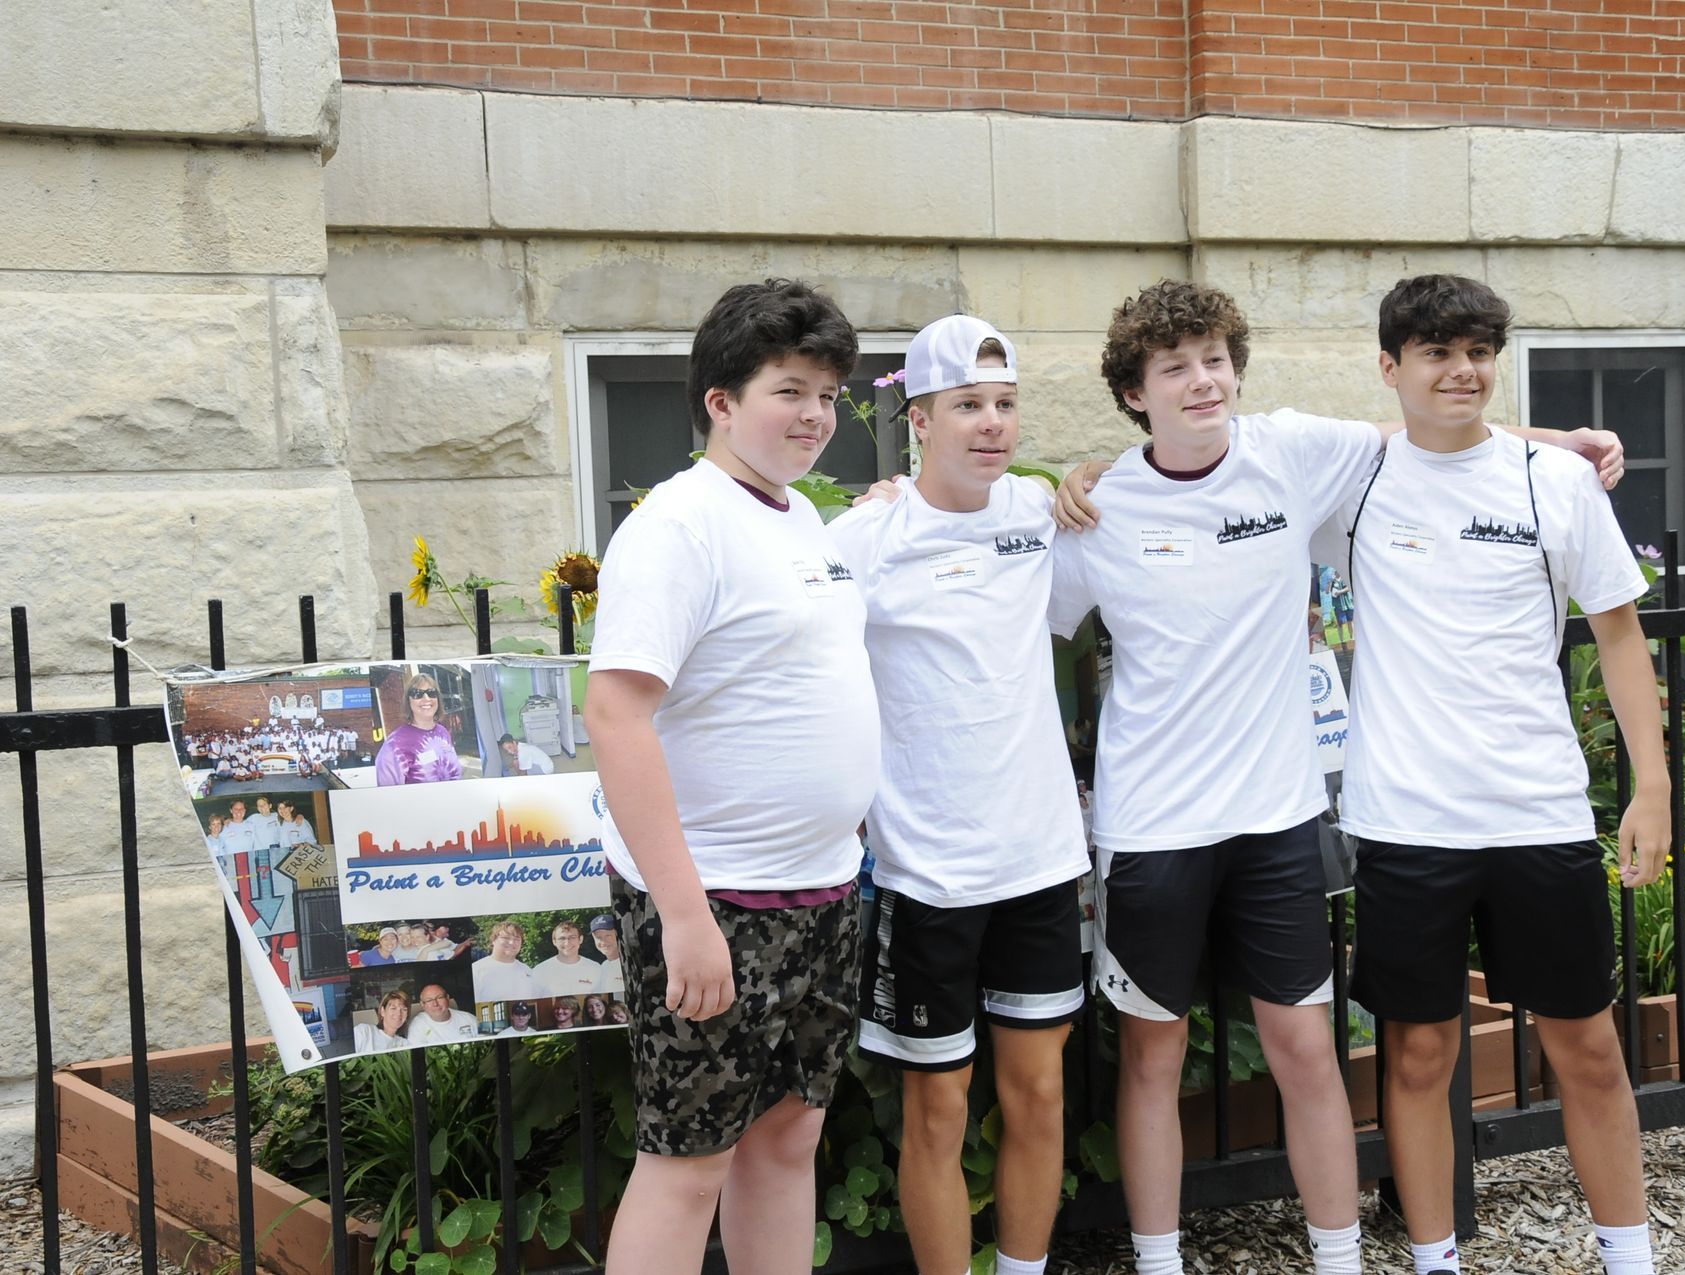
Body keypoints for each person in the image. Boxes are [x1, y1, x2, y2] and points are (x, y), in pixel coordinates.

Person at [1046, 280, 1624, 1275]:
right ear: (1134, 393)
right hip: (1151, 827)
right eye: (1175, 367)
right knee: (1153, 1059)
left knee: (1311, 1055)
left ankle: (1341, 1259)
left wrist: (1560, 440)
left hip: (1278, 818)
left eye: (1216, 358)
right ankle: (1157, 1261)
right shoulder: (1095, 510)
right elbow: (1024, 637)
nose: (1202, 381)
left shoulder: (1292, 453)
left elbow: (1432, 422)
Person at [1308, 274, 1668, 1275]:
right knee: (1420, 1055)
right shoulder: (1356, 481)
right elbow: (1222, 452)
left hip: (1537, 814)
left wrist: (1652, 787)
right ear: (1391, 368)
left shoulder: (1550, 485)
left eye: (1478, 353)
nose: (1461, 371)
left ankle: (1630, 1258)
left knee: (1587, 1047)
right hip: (1407, 823)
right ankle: (1435, 1261)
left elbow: (1620, 636)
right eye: (1436, 353)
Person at [585, 278, 876, 1275]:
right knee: (688, 1159)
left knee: (789, 1138)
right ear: (721, 400)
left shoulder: (798, 519)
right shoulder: (678, 525)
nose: (815, 417)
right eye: (790, 391)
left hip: (825, 890)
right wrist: (684, 914)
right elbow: (617, 716)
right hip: (718, 901)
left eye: (829, 396)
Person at [827, 315, 1089, 1275]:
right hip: (923, 871)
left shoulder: (1035, 510)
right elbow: (802, 667)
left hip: (1039, 859)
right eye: (967, 405)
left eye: (1006, 404)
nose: (991, 424)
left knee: (1041, 1095)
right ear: (920, 419)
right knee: (937, 1109)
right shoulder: (865, 532)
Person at [374, 673, 463, 785]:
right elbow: (388, 796)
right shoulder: (394, 745)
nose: (426, 699)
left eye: (431, 693)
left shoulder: (443, 732)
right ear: (408, 701)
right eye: (417, 694)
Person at [471, 920, 539, 1002]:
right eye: (506, 938)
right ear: (493, 940)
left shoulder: (527, 971)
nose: (511, 942)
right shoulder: (476, 970)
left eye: (517, 939)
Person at [531, 919, 600, 996]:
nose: (567, 943)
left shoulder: (595, 968)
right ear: (554, 941)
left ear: (580, 939)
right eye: (562, 938)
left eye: (572, 937)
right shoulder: (540, 970)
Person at [406, 984, 479, 1044]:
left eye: (439, 998)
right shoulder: (418, 1025)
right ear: (422, 1004)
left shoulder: (469, 1019)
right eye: (429, 1000)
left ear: (447, 998)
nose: (435, 1004)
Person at [354, 989, 414, 1053]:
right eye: (393, 1008)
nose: (399, 1013)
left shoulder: (405, 1044)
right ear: (383, 1011)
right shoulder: (364, 1031)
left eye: (404, 1009)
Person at [587, 913, 626, 994]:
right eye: (598, 937)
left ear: (617, 934)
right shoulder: (603, 966)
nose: (603, 942)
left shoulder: (630, 964)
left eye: (608, 935)